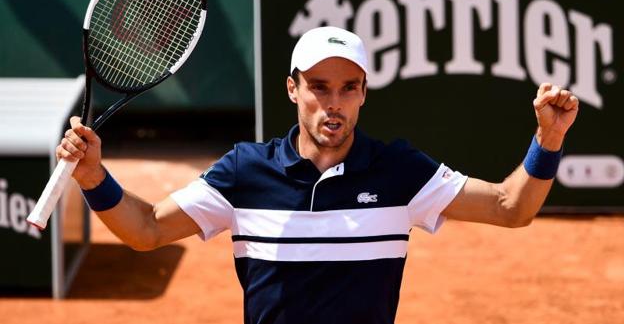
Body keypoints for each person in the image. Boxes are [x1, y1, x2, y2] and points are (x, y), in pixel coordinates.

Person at [58, 26, 579, 324]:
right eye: (320, 87)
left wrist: (548, 140)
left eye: (349, 88)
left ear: (364, 92)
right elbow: (146, 229)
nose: (334, 104)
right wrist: (93, 177)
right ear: (292, 89)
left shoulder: (399, 171)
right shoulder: (246, 171)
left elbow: (512, 208)